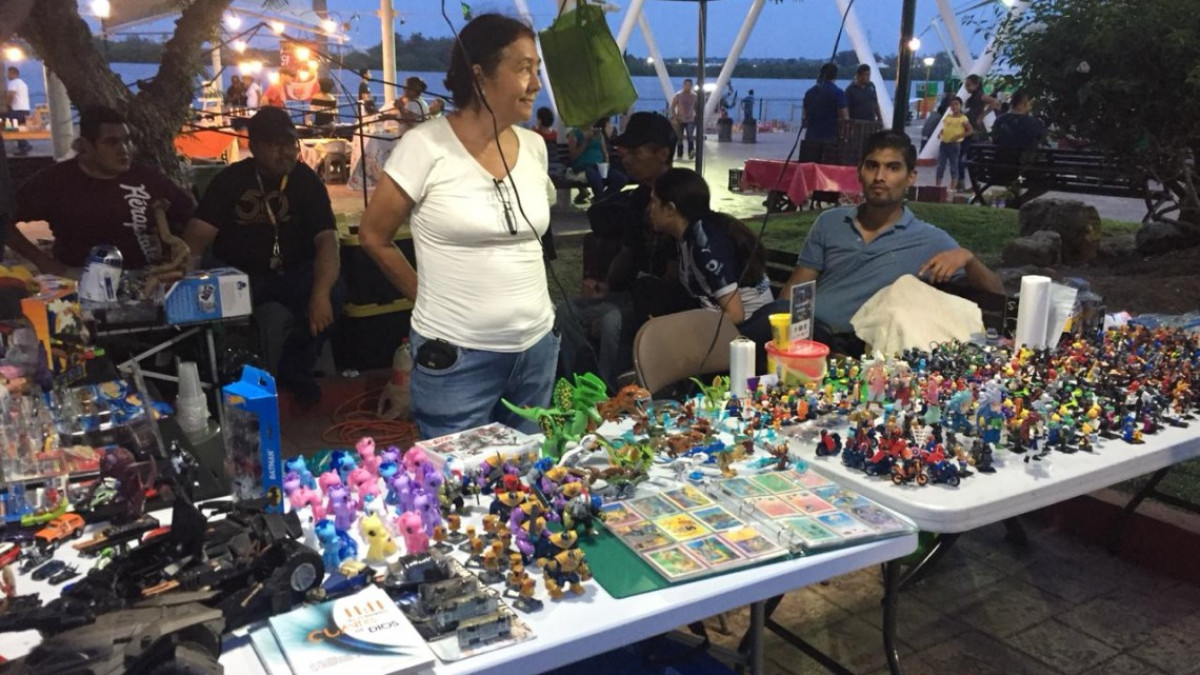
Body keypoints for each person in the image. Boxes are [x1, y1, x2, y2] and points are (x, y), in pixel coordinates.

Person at [357, 14, 557, 439]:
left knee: (525, 487)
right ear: (480, 75)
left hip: (536, 352)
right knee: (458, 490)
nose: (536, 83)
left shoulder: (535, 148)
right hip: (458, 359)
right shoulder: (424, 146)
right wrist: (424, 295)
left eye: (536, 69)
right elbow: (373, 235)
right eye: (523, 68)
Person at [781, 130, 1004, 356]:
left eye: (893, 168)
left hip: (856, 346)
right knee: (761, 328)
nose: (880, 176)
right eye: (872, 166)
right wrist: (779, 325)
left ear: (911, 177)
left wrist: (969, 259)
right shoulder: (830, 222)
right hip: (806, 336)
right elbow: (795, 290)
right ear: (859, 171)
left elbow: (997, 293)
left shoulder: (929, 239)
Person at [182, 107, 341, 405]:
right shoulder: (231, 180)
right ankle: (222, 385)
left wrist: (320, 293)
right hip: (242, 275)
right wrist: (186, 278)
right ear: (254, 146)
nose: (286, 153)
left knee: (333, 293)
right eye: (275, 145)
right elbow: (197, 237)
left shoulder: (305, 180)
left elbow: (327, 240)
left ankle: (296, 371)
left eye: (291, 144)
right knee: (206, 302)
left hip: (294, 271)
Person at [557, 112, 694, 391]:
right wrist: (604, 287)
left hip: (668, 305)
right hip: (632, 296)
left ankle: (614, 397)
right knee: (566, 311)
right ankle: (588, 385)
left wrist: (620, 305)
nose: (626, 157)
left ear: (662, 153)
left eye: (635, 151)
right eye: (625, 150)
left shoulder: (683, 195)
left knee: (610, 320)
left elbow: (674, 281)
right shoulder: (639, 196)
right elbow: (628, 251)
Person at [6, 105, 194, 277]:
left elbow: (191, 216)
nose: (123, 149)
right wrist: (43, 262)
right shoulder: (55, 181)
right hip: (82, 279)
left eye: (127, 141)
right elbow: (3, 220)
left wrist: (179, 250)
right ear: (85, 146)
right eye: (112, 142)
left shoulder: (147, 177)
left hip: (148, 277)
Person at [647, 168, 773, 342]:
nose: (649, 209)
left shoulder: (705, 243)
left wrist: (678, 326)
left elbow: (735, 315)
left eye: (653, 201)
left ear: (670, 209)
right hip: (717, 322)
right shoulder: (685, 236)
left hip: (747, 332)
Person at [958, 74, 998, 182]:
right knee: (966, 156)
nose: (966, 88)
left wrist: (982, 115)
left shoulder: (980, 96)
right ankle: (966, 181)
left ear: (976, 85)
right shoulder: (973, 98)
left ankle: (964, 181)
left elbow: (994, 102)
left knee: (964, 156)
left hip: (972, 130)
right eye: (966, 85)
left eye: (968, 85)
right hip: (969, 128)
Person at [802, 63, 848, 141]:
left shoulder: (809, 92)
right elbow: (844, 117)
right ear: (835, 75)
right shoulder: (838, 93)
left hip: (810, 137)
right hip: (830, 138)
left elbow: (805, 117)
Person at [936, 97, 971, 191]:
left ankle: (953, 187)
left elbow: (970, 131)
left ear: (960, 106)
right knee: (940, 165)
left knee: (953, 165)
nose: (954, 107)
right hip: (944, 143)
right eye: (952, 105)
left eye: (956, 104)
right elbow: (945, 127)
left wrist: (959, 136)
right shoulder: (948, 117)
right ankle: (937, 186)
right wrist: (941, 133)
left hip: (954, 144)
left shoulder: (963, 118)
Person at [670, 78, 698, 160]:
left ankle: (691, 152)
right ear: (683, 85)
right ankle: (679, 155)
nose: (688, 87)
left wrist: (696, 116)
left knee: (690, 136)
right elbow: (672, 107)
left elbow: (696, 107)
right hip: (680, 119)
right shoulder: (678, 95)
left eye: (690, 85)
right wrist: (675, 118)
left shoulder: (694, 96)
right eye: (686, 85)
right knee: (679, 138)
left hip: (690, 119)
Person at [5, 67, 31, 156]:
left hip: (16, 109)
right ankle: (24, 146)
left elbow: (11, 95)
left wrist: (7, 105)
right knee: (21, 128)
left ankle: (24, 146)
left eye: (8, 73)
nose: (7, 75)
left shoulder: (13, 83)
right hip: (25, 109)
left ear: (13, 73)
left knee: (15, 129)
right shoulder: (23, 83)